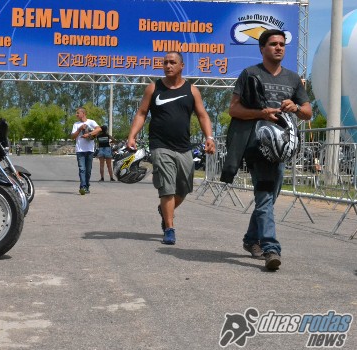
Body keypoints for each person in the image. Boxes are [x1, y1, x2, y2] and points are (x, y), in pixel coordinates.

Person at [225, 29, 312, 270]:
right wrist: (261, 113)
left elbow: (308, 112)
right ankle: (271, 249)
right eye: (273, 44)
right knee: (264, 196)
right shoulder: (250, 74)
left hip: (282, 148)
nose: (279, 47)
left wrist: (294, 107)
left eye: (282, 44)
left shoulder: (293, 79)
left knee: (269, 199)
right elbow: (234, 110)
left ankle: (251, 239)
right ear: (262, 48)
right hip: (256, 147)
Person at [126, 51, 215, 245]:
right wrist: (132, 135)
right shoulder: (153, 88)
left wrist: (209, 137)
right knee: (167, 186)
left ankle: (165, 210)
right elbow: (141, 113)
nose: (168, 65)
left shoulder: (192, 90)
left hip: (184, 147)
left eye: (172, 62)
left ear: (181, 66)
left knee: (183, 189)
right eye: (165, 62)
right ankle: (169, 228)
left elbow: (202, 115)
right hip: (160, 144)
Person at [71, 107, 101, 195]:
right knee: (82, 169)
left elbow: (99, 129)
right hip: (80, 150)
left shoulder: (91, 122)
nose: (76, 115)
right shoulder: (76, 124)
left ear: (83, 114)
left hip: (90, 150)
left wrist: (89, 134)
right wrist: (79, 129)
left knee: (88, 170)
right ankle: (83, 187)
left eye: (78, 113)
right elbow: (73, 136)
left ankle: (87, 185)